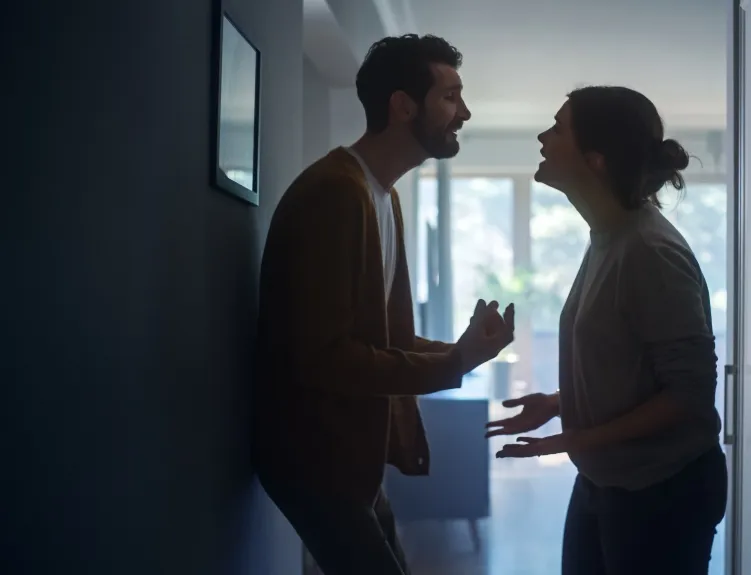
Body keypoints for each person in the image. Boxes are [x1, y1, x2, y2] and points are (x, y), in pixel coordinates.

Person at [253, 34, 514, 575]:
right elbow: (326, 358)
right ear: (403, 106)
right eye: (451, 97)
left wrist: (464, 350)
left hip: (348, 460)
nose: (464, 113)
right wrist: (456, 361)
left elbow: (382, 341)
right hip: (317, 461)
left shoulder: (382, 195)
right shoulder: (336, 193)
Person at [486, 86, 725, 575]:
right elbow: (631, 365)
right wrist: (559, 405)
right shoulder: (608, 238)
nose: (542, 136)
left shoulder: (649, 252)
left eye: (557, 128)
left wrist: (572, 438)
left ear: (595, 160)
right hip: (609, 479)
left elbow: (689, 395)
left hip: (662, 491)